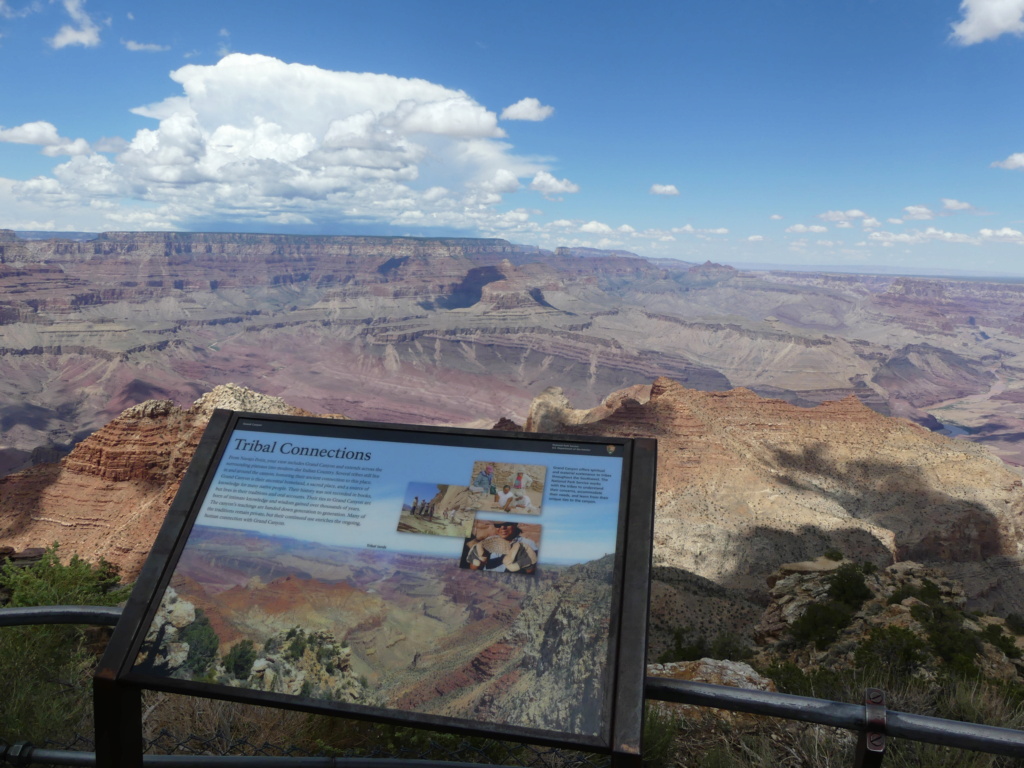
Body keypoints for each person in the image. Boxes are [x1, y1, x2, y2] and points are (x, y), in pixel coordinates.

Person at [468, 522, 538, 574]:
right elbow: (473, 568)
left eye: (507, 524)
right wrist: (478, 560)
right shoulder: (489, 541)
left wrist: (528, 564)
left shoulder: (528, 544)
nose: (503, 528)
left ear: (515, 524)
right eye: (498, 525)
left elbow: (531, 572)